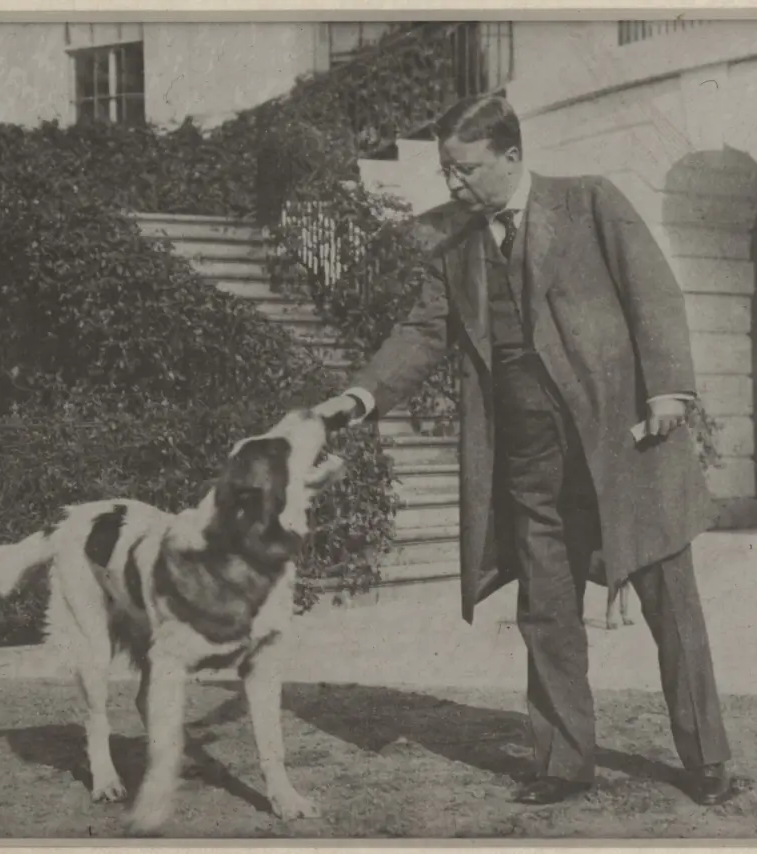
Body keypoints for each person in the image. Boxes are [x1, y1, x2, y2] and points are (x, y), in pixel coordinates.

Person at [314, 94, 735, 807]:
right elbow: (421, 331)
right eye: (447, 171)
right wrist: (359, 397)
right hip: (527, 457)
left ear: (511, 157)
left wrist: (669, 391)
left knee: (671, 605)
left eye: (466, 169)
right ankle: (563, 763)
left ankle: (707, 760)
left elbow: (655, 293)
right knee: (546, 609)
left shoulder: (590, 202)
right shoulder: (451, 242)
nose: (454, 184)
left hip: (623, 446)